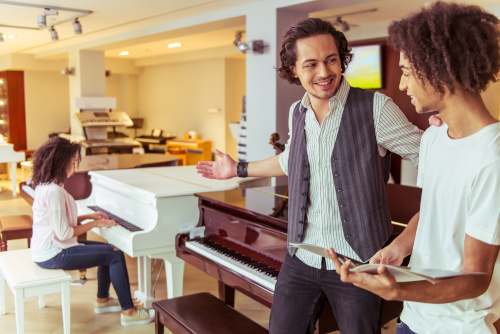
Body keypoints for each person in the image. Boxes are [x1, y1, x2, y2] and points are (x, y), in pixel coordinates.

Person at [197, 17, 423, 333]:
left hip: (358, 259)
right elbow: (292, 160)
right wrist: (238, 169)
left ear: (342, 59)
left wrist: (447, 139)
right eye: (311, 64)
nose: (324, 73)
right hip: (301, 254)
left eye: (331, 60)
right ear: (293, 69)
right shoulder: (297, 112)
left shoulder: (376, 107)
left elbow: (433, 160)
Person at [326, 2, 500, 333]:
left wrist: (399, 289)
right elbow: (432, 212)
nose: (403, 86)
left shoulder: (493, 158)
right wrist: (399, 247)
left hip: (459, 326)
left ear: (439, 70)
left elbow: (477, 277)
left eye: (406, 72)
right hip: (414, 318)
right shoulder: (434, 137)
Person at [30, 137, 155, 327]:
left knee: (108, 250)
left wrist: (88, 217)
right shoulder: (54, 191)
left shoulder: (45, 185)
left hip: (50, 247)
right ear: (60, 162)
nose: (74, 167)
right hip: (53, 253)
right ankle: (129, 312)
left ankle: (103, 300)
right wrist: (95, 225)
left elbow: (57, 223)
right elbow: (64, 233)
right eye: (72, 163)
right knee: (114, 255)